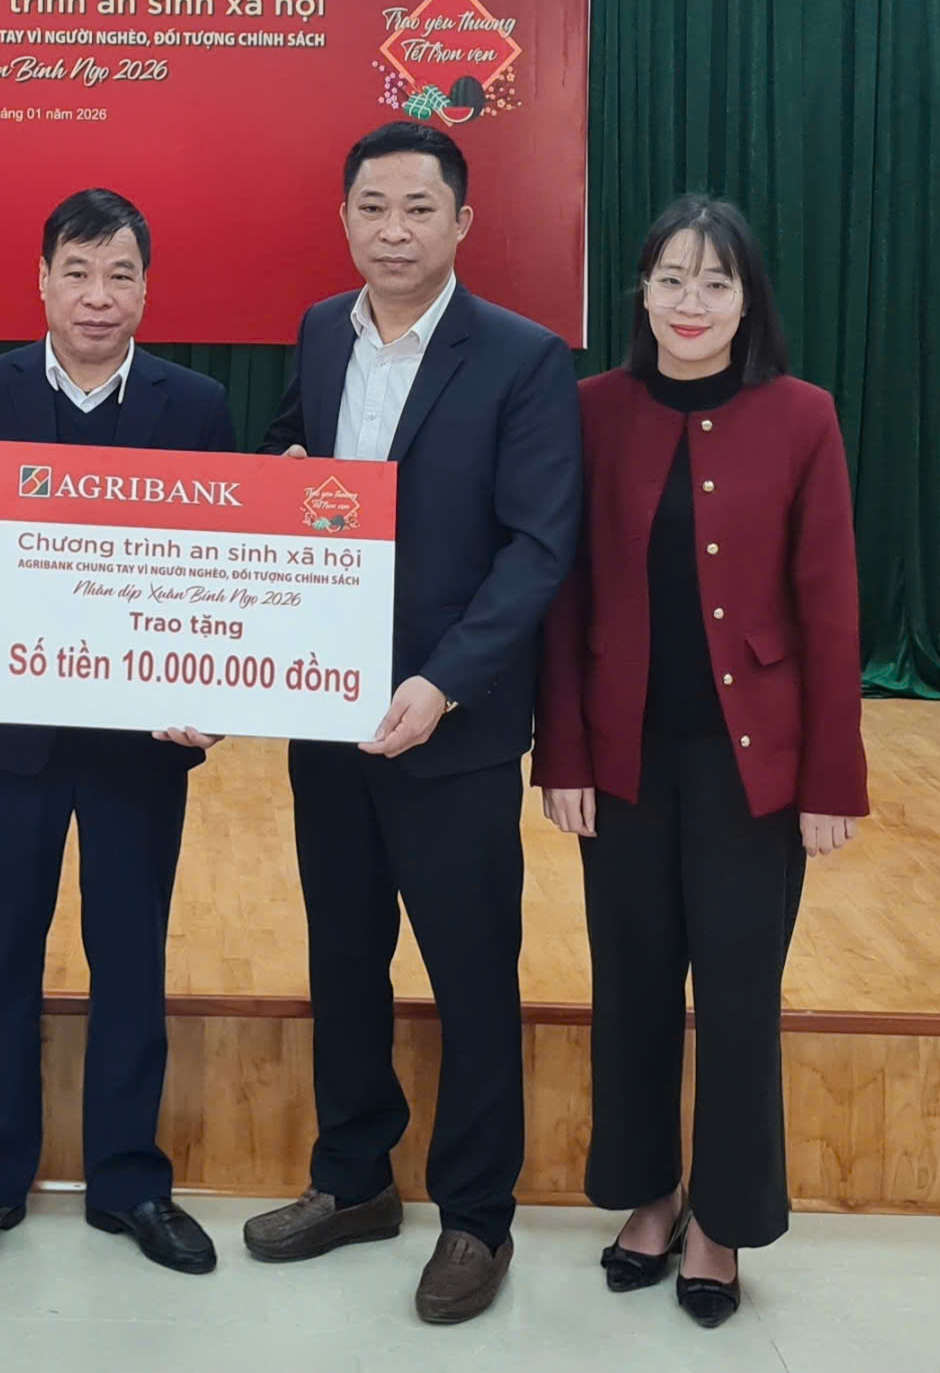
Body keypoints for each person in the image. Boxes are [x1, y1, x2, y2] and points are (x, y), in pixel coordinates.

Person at [242, 120, 580, 1325]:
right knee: (344, 956)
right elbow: (292, 463)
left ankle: (477, 1215)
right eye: (372, 208)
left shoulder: (523, 358)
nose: (393, 230)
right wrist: (280, 480)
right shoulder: (318, 333)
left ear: (461, 222)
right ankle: (353, 1180)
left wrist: (442, 683)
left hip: (451, 727)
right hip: (325, 713)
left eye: (418, 209)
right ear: (344, 218)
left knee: (471, 972)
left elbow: (537, 547)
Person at [533, 194, 867, 1330]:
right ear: (640, 291)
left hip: (750, 764)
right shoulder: (590, 410)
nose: (690, 301)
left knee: (736, 993)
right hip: (620, 753)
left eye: (715, 282)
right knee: (628, 983)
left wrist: (830, 780)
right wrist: (561, 753)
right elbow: (563, 596)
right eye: (671, 277)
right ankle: (648, 1194)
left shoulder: (802, 415)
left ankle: (722, 1219)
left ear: (746, 300)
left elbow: (830, 607)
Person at [0, 189, 236, 1279]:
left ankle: (130, 1181)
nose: (98, 295)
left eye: (119, 274)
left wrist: (217, 689)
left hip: (139, 743)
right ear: (42, 280)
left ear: (147, 286)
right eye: (78, 272)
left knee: (132, 958)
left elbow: (221, 578)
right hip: (8, 735)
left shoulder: (196, 405)